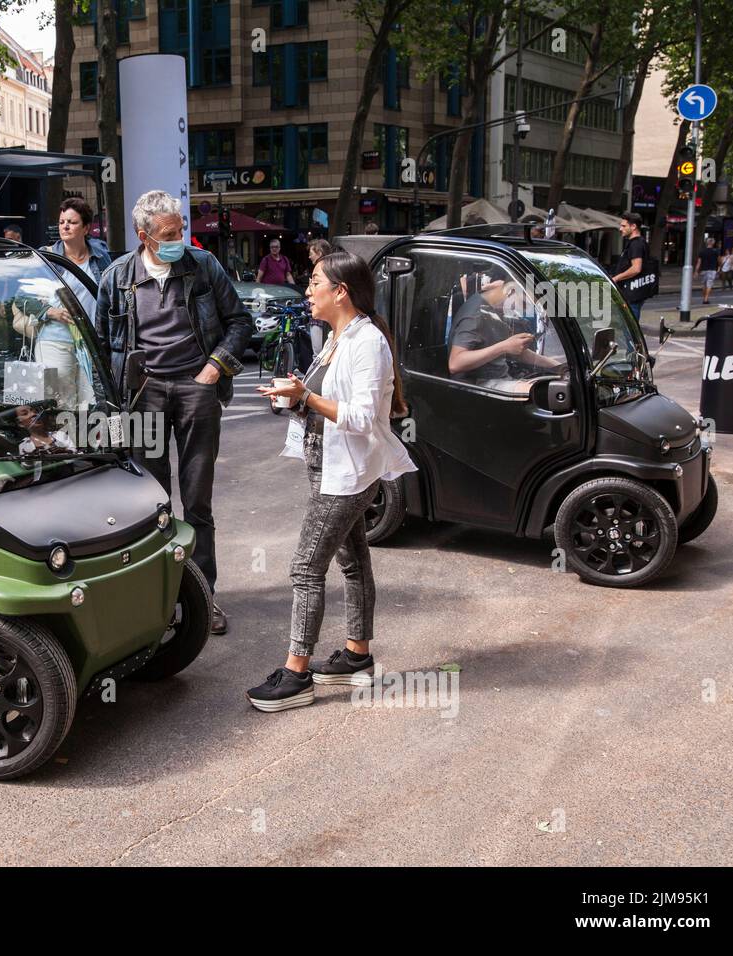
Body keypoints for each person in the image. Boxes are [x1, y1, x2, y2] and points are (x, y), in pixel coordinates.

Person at [246, 251, 416, 712]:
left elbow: (362, 417)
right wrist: (296, 399)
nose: (307, 291)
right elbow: (326, 400)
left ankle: (296, 674)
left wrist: (307, 396)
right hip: (328, 464)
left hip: (348, 474)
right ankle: (357, 655)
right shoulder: (337, 336)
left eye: (314, 283)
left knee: (305, 567)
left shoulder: (367, 343)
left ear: (340, 291)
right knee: (354, 562)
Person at [95, 189, 253, 635]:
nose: (179, 238)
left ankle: (203, 597)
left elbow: (240, 322)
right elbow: (101, 342)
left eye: (181, 229)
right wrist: (112, 403)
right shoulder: (116, 277)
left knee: (197, 500)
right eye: (168, 233)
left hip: (196, 391)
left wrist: (213, 369)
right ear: (143, 236)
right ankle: (160, 599)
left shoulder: (203, 267)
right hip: (143, 395)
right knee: (153, 501)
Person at [447, 269, 563, 391]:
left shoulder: (497, 308)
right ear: (511, 291)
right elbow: (455, 364)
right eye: (524, 303)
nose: (524, 310)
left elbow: (517, 353)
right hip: (475, 385)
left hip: (500, 378)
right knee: (541, 392)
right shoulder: (475, 316)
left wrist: (558, 366)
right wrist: (503, 347)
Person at [610, 211, 649, 321]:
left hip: (632, 294)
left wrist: (616, 278)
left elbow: (636, 268)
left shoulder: (636, 244)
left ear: (633, 227)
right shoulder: (635, 243)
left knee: (630, 328)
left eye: (623, 226)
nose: (620, 229)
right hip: (631, 292)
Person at [695, 237, 720, 305]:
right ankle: (706, 299)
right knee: (709, 284)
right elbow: (719, 260)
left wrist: (696, 271)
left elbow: (699, 262)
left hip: (703, 270)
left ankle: (704, 298)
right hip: (712, 270)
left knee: (704, 285)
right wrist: (719, 267)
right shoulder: (715, 251)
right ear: (713, 243)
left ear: (706, 243)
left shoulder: (702, 251)